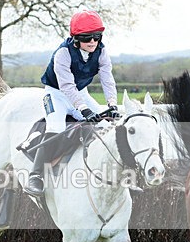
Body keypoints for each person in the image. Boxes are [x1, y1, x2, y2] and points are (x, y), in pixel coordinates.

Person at [23, 10, 120, 197]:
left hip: (81, 93)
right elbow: (66, 86)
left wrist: (112, 104)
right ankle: (36, 176)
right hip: (56, 94)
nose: (92, 42)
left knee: (104, 126)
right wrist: (83, 109)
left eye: (96, 37)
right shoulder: (63, 53)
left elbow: (107, 80)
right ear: (75, 39)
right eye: (86, 38)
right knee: (56, 128)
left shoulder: (101, 52)